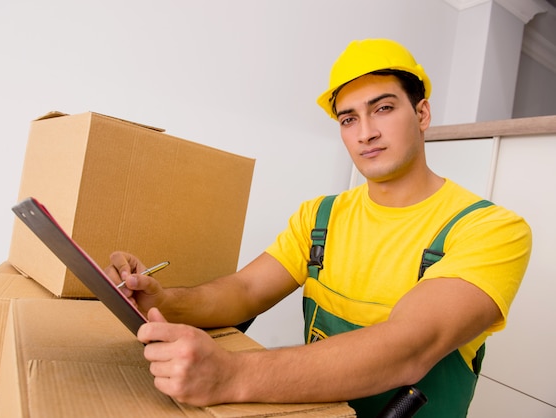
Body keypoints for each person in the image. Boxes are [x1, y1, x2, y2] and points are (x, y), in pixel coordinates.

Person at [105, 38, 531, 417]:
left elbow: (410, 347)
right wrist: (163, 300)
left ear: (421, 113)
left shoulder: (492, 230)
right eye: (348, 119)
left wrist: (229, 375)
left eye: (383, 108)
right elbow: (244, 291)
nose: (366, 133)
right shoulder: (319, 217)